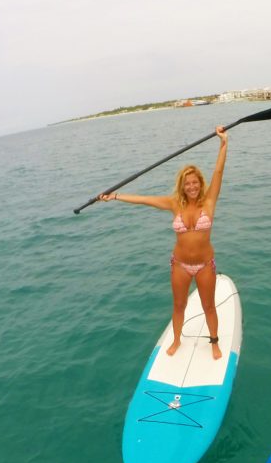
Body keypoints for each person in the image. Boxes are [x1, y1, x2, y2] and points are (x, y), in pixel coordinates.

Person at [98, 126, 228, 360]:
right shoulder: (173, 204)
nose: (191, 187)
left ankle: (214, 342)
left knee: (209, 306)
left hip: (205, 265)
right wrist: (115, 196)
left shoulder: (209, 201)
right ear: (182, 185)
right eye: (187, 183)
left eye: (195, 182)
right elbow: (144, 200)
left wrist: (223, 143)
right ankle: (177, 340)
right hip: (179, 265)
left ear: (200, 183)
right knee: (179, 306)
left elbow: (218, 172)